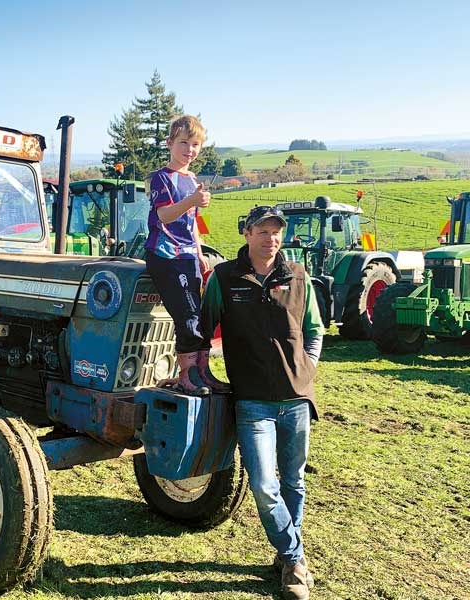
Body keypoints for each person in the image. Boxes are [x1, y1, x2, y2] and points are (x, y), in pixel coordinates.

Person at [199, 205, 324, 600]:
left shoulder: (299, 276)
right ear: (247, 233)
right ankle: (294, 558)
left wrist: (308, 368)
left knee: (294, 481)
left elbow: (315, 330)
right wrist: (196, 369)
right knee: (265, 486)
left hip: (296, 400)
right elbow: (203, 328)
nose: (270, 238)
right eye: (263, 231)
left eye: (276, 232)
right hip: (252, 402)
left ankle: (287, 558)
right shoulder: (224, 278)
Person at [143, 115, 224, 392]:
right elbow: (164, 215)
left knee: (200, 315)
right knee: (187, 315)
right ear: (170, 143)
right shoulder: (161, 179)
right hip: (165, 254)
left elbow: (191, 225)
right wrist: (191, 200)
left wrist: (199, 253)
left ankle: (202, 371)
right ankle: (187, 374)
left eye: (195, 144)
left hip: (188, 255)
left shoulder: (191, 179)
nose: (189, 150)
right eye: (183, 143)